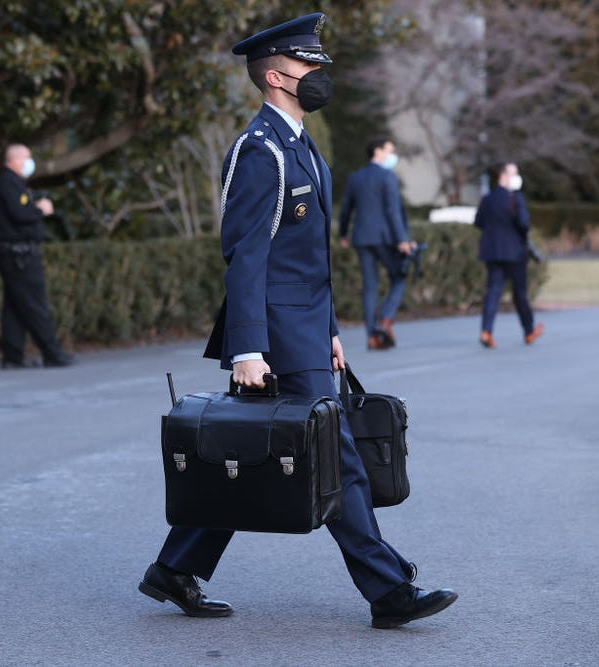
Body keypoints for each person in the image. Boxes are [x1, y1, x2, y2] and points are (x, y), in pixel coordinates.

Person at [138, 13, 457, 629]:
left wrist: (331, 328)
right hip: (277, 339)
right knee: (337, 462)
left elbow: (308, 259)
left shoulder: (299, 143)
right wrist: (249, 348)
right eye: (310, 67)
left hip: (305, 332)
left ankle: (176, 569)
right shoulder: (260, 151)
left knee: (245, 448)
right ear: (279, 76)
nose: (319, 76)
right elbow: (246, 258)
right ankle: (389, 592)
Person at [0, 144, 75, 369]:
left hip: (18, 253)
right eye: (27, 157)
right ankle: (52, 352)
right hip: (19, 255)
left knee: (15, 306)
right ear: (14, 160)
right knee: (35, 303)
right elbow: (19, 214)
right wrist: (41, 209)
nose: (30, 162)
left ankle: (12, 355)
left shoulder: (13, 183)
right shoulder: (8, 183)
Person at [339, 137, 412, 349]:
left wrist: (344, 233)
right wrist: (402, 240)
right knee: (400, 276)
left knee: (370, 287)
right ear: (378, 152)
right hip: (384, 238)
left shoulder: (356, 177)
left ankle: (372, 337)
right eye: (390, 151)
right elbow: (393, 211)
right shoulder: (387, 176)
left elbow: (346, 209)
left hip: (361, 238)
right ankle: (385, 318)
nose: (392, 155)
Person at [473, 162, 544, 349]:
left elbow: (478, 222)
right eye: (514, 173)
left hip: (492, 252)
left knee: (493, 292)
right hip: (514, 252)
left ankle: (486, 331)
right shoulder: (515, 198)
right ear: (503, 175)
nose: (516, 177)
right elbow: (524, 224)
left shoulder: (487, 199)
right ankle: (528, 330)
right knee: (519, 293)